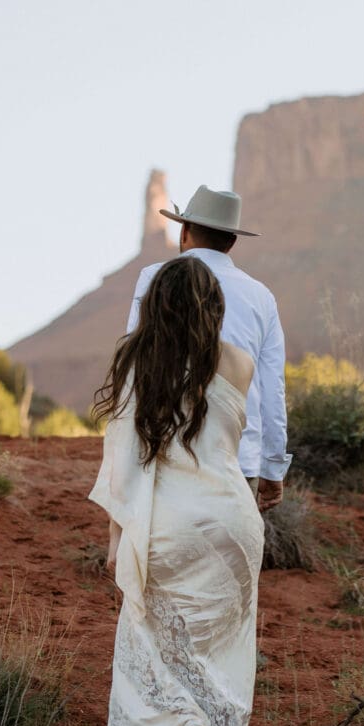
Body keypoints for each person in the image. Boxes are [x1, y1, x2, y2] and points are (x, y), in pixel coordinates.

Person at [90, 256, 264, 726]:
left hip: (169, 523)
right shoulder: (238, 362)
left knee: (148, 646)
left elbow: (123, 459)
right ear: (213, 308)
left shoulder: (135, 358)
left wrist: (116, 538)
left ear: (156, 304)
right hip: (235, 527)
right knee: (217, 650)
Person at [127, 184, 291, 511]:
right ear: (231, 241)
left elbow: (133, 367)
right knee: (230, 559)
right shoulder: (261, 297)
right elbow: (272, 388)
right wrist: (272, 468)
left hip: (163, 453)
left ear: (184, 231)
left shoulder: (152, 278)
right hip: (236, 460)